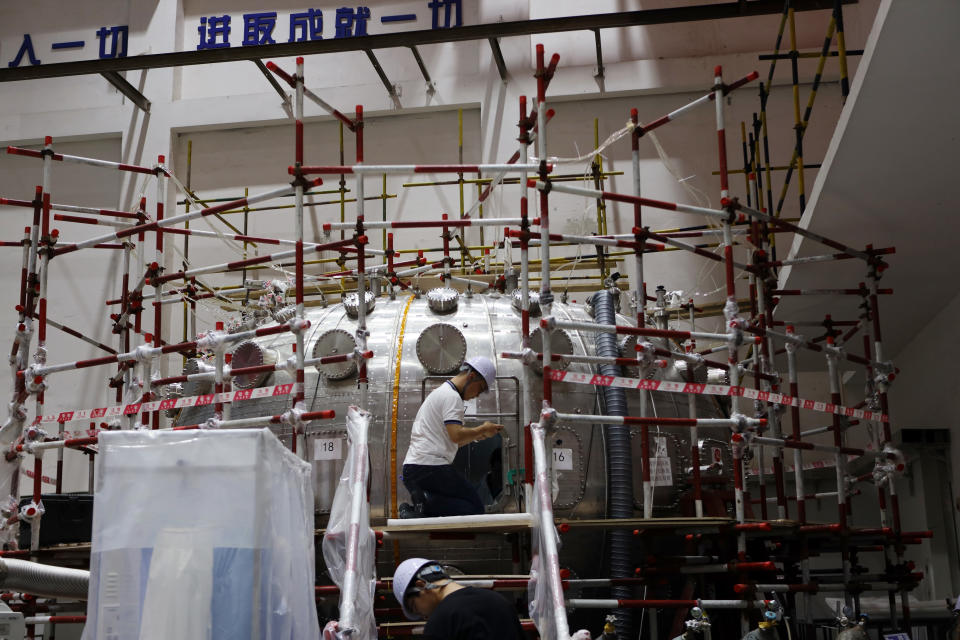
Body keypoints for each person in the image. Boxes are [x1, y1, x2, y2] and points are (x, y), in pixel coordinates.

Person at [399, 355, 503, 518]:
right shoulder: (452, 397)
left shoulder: (442, 393)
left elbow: (450, 441)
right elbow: (456, 435)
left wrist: (478, 435)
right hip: (429, 467)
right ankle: (424, 503)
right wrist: (482, 428)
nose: (477, 395)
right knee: (475, 507)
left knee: (468, 505)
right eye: (480, 388)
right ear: (472, 377)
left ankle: (417, 507)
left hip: (417, 468)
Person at [392, 557, 525, 640]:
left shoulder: (440, 622)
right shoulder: (499, 601)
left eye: (415, 607)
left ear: (421, 586)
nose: (424, 616)